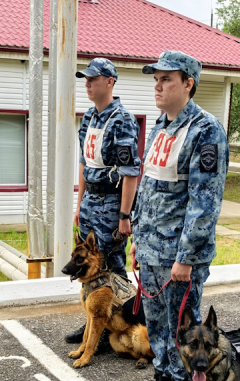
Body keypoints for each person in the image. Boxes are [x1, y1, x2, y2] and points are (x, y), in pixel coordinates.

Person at [124, 51, 229, 381]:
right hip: (151, 251)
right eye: (156, 78)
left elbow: (205, 203)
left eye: (166, 79)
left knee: (181, 331)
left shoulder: (205, 131)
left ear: (188, 83)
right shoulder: (161, 127)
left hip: (178, 259)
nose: (157, 84)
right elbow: (149, 186)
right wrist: (137, 236)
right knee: (156, 327)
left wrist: (186, 257)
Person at [64, 58, 142, 345]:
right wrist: (79, 204)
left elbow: (130, 172)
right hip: (90, 202)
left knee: (112, 267)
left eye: (93, 79)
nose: (87, 83)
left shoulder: (122, 120)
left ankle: (120, 325)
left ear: (109, 82)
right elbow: (84, 164)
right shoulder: (88, 117)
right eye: (85, 78)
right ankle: (93, 324)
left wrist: (124, 215)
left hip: (111, 202)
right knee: (91, 269)